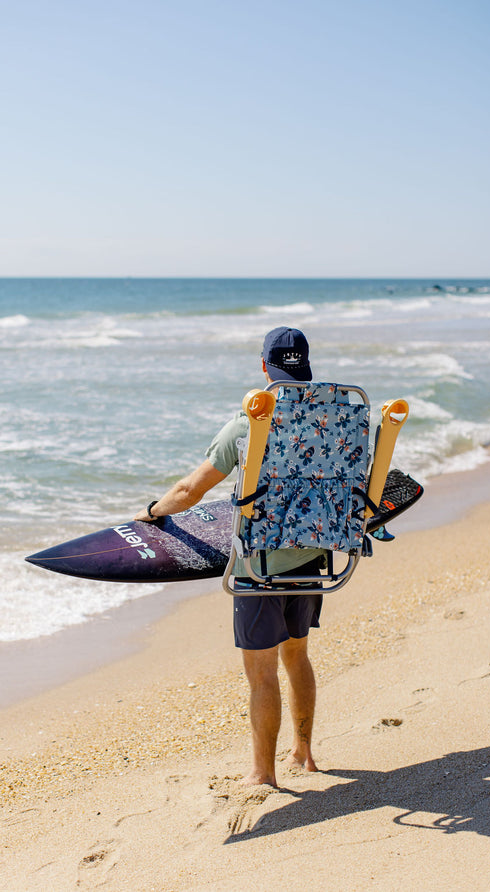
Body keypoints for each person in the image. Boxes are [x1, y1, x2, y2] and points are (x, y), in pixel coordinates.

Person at [134, 327, 323, 787]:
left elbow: (190, 491)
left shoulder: (251, 421)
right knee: (296, 655)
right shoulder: (333, 418)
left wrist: (151, 512)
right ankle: (303, 752)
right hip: (314, 555)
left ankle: (263, 773)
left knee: (261, 673)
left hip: (259, 564)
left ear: (265, 366)